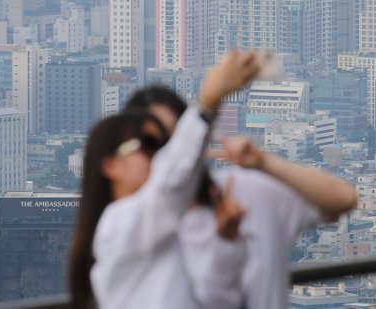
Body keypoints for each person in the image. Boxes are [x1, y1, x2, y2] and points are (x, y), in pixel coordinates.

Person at [126, 85, 358, 308]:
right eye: (155, 142)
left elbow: (342, 198)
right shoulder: (132, 227)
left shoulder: (246, 191)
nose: (172, 154)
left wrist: (264, 163)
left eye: (179, 139)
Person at [69, 51, 259, 309]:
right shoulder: (118, 223)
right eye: (147, 145)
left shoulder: (163, 226)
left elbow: (217, 303)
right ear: (111, 165)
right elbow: (170, 183)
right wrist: (207, 103)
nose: (159, 155)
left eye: (164, 145)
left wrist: (225, 242)